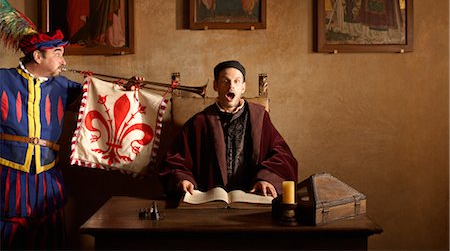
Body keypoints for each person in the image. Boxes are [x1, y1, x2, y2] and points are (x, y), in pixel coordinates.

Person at [0, 29, 142, 249]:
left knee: (47, 231)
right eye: (57, 53)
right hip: (8, 175)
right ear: (38, 56)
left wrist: (126, 88)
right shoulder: (3, 79)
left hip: (47, 173)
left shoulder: (62, 85)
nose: (63, 60)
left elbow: (99, 96)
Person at [159, 60, 298, 199]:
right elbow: (175, 160)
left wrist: (267, 178)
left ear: (243, 87)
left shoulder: (260, 118)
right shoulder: (199, 122)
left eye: (237, 81)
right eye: (225, 81)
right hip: (209, 202)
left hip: (252, 196)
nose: (231, 86)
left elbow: (283, 156)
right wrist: (183, 179)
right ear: (215, 85)